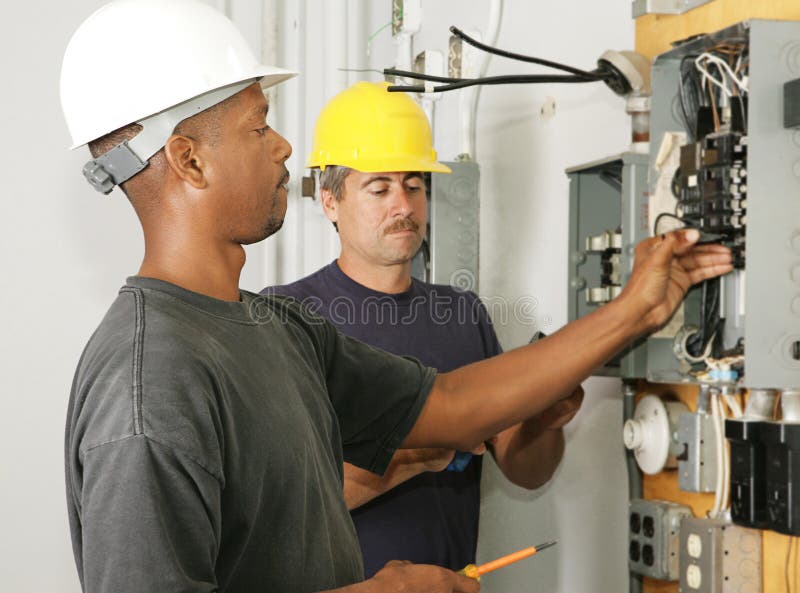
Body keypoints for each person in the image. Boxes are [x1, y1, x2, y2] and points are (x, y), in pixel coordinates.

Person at [60, 1, 733, 592]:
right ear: (189, 159)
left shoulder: (279, 328)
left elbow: (452, 404)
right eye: (259, 126)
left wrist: (640, 307)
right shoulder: (147, 385)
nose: (285, 145)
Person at [265, 81, 584, 577]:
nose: (404, 206)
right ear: (330, 201)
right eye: (380, 188)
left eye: (414, 185)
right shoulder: (289, 316)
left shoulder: (463, 315)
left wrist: (544, 419)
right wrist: (423, 450)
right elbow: (288, 499)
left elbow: (527, 471)